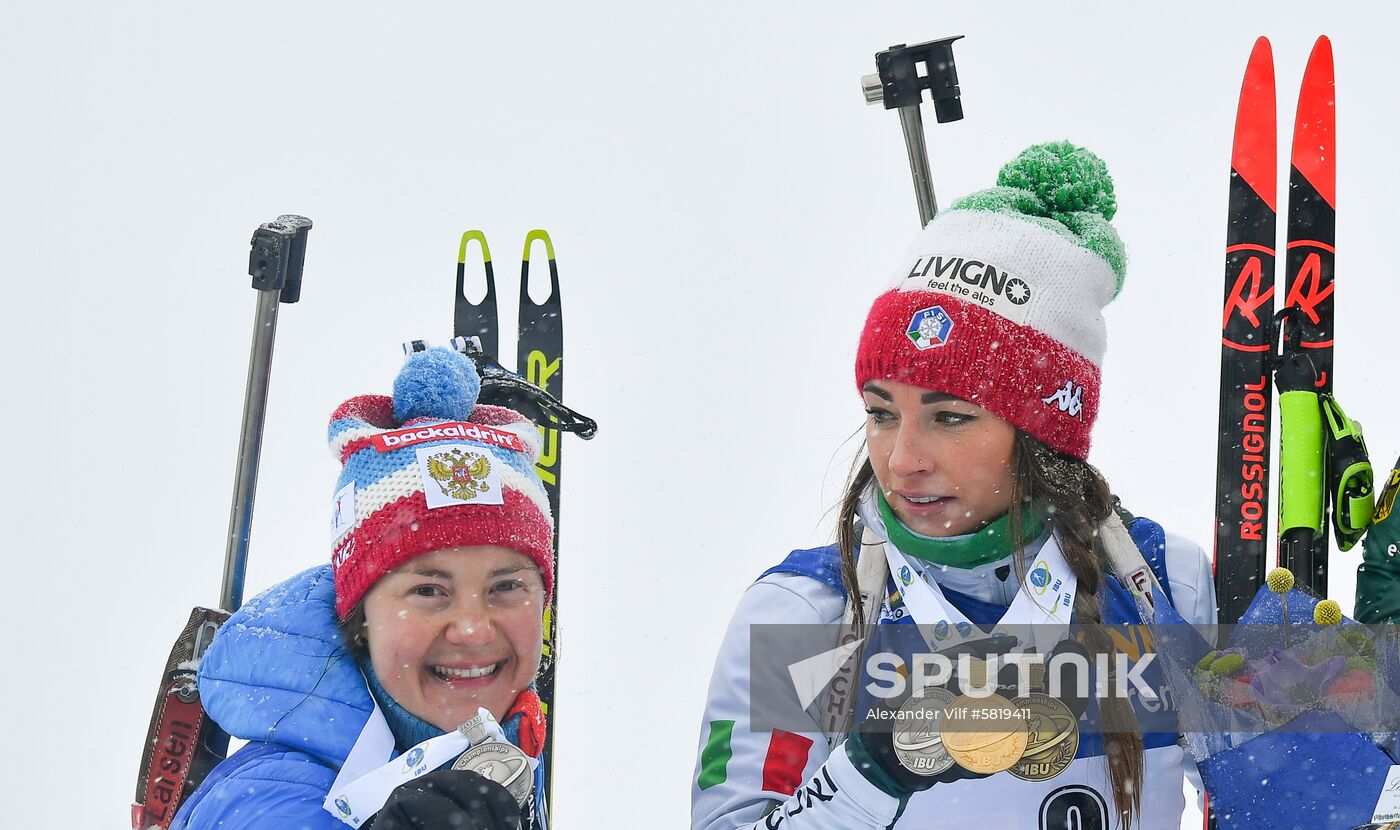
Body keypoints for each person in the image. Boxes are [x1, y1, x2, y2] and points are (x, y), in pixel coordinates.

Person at [691, 142, 1217, 830]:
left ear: (1042, 434)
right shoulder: (805, 618)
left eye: (949, 417)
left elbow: (1280, 802)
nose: (902, 458)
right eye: (882, 413)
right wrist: (867, 775)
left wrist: (1351, 748)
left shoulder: (1163, 585)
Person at [173, 347, 555, 830]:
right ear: (360, 615)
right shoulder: (269, 800)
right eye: (428, 592)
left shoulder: (492, 747)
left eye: (507, 586)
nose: (473, 629)